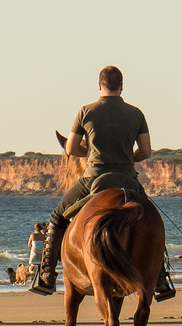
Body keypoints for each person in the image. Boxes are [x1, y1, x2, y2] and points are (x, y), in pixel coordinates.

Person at [30, 65, 174, 300]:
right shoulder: (136, 113)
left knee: (57, 216)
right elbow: (146, 151)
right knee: (150, 217)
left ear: (99, 86)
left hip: (93, 178)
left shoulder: (86, 111)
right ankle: (160, 277)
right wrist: (128, 157)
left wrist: (90, 153)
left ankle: (46, 276)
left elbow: (71, 148)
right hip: (128, 179)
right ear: (122, 86)